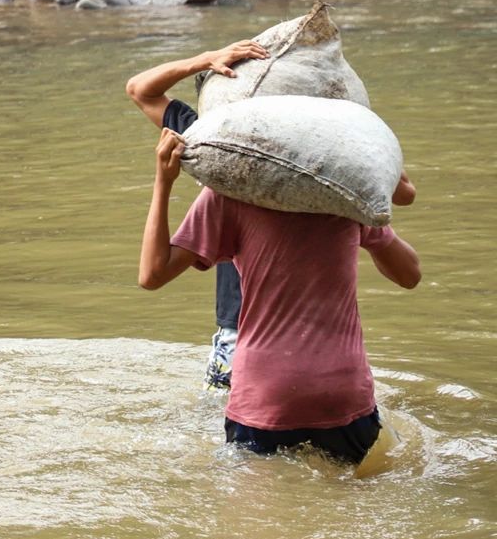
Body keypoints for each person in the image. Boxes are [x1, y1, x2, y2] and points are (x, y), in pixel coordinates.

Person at [126, 39, 417, 389]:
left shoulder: (204, 140)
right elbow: (402, 195)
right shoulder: (332, 162)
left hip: (243, 338)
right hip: (328, 346)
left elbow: (141, 91)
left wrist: (205, 60)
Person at [138, 128, 421, 466]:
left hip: (266, 395)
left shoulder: (229, 195)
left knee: (257, 515)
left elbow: (152, 275)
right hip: (342, 391)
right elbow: (410, 275)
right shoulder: (344, 193)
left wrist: (163, 181)